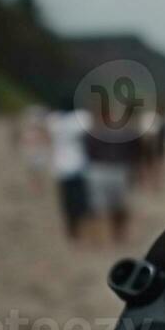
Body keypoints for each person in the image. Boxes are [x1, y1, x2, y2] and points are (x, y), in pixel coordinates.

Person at [82, 93, 140, 246]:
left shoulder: (94, 130)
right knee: (110, 207)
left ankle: (107, 237)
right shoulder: (120, 130)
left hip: (104, 170)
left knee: (105, 207)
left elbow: (88, 152)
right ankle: (113, 236)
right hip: (110, 170)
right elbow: (134, 150)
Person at [45, 97, 92, 243]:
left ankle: (71, 230)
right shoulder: (80, 119)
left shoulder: (54, 121)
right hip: (80, 166)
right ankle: (80, 230)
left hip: (61, 167)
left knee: (67, 202)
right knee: (81, 201)